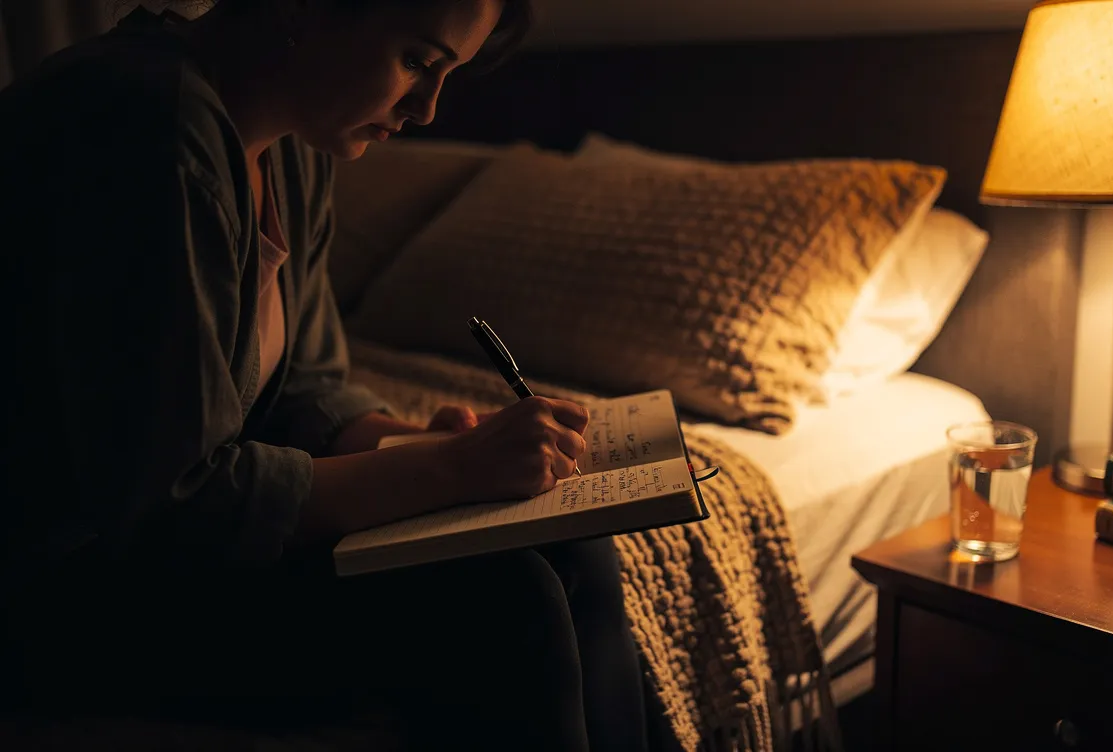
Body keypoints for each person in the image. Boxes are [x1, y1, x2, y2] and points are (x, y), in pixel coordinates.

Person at [0, 1, 649, 749]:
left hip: (149, 553)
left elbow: (302, 389)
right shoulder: (151, 127)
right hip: (56, 588)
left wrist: (431, 448)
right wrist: (445, 471)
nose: (427, 109)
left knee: (573, 542)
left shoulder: (292, 144)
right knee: (503, 602)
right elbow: (175, 505)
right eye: (416, 61)